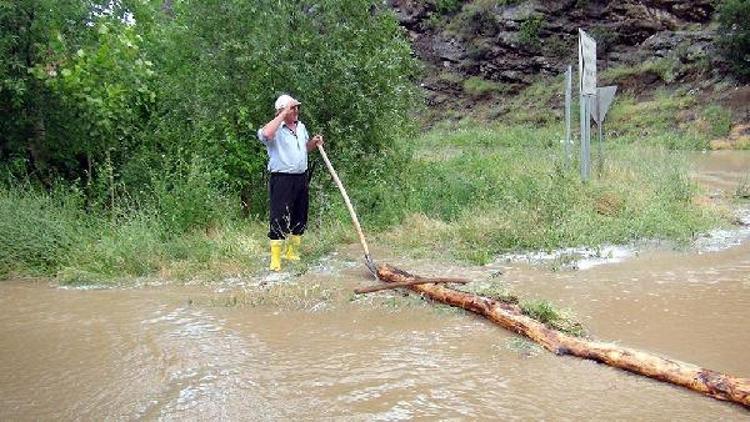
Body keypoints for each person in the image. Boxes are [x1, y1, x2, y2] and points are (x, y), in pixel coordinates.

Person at [257, 94, 323, 271]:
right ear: (282, 110)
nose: (296, 111)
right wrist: (283, 114)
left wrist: (313, 144)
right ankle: (276, 259)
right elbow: (266, 134)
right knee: (279, 216)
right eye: (292, 108)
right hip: (282, 179)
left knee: (300, 215)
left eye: (296, 108)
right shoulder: (274, 129)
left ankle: (292, 252)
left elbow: (304, 149)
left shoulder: (301, 127)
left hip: (301, 177)